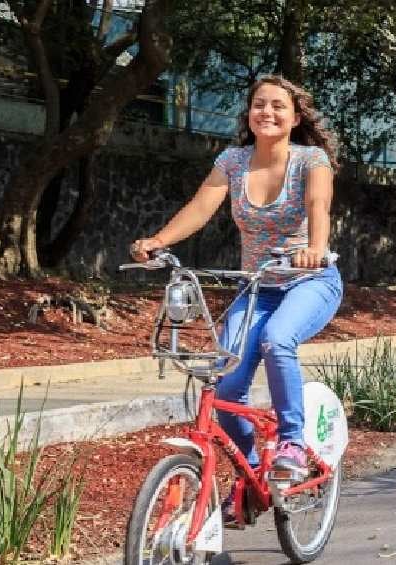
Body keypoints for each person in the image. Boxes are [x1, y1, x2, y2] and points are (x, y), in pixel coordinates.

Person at [130, 76, 342, 492]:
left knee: (278, 340)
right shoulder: (232, 161)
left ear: (295, 117)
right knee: (225, 384)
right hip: (257, 287)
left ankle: (293, 444)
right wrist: (158, 242)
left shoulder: (310, 159)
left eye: (278, 106)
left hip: (309, 280)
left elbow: (319, 204)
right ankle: (248, 477)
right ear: (249, 113)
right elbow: (200, 207)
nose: (268, 112)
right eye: (259, 104)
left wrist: (315, 247)